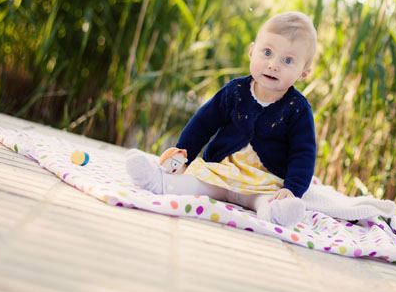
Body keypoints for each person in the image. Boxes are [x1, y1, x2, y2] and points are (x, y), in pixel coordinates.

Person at [125, 11, 318, 227]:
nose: (273, 64)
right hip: (221, 171)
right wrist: (183, 155)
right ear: (252, 51)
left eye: (288, 60)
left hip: (264, 182)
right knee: (194, 183)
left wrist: (292, 189)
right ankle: (160, 181)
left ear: (304, 73)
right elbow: (202, 124)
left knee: (268, 201)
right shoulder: (235, 91)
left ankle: (277, 212)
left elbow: (304, 153)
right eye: (267, 52)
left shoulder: (297, 109)